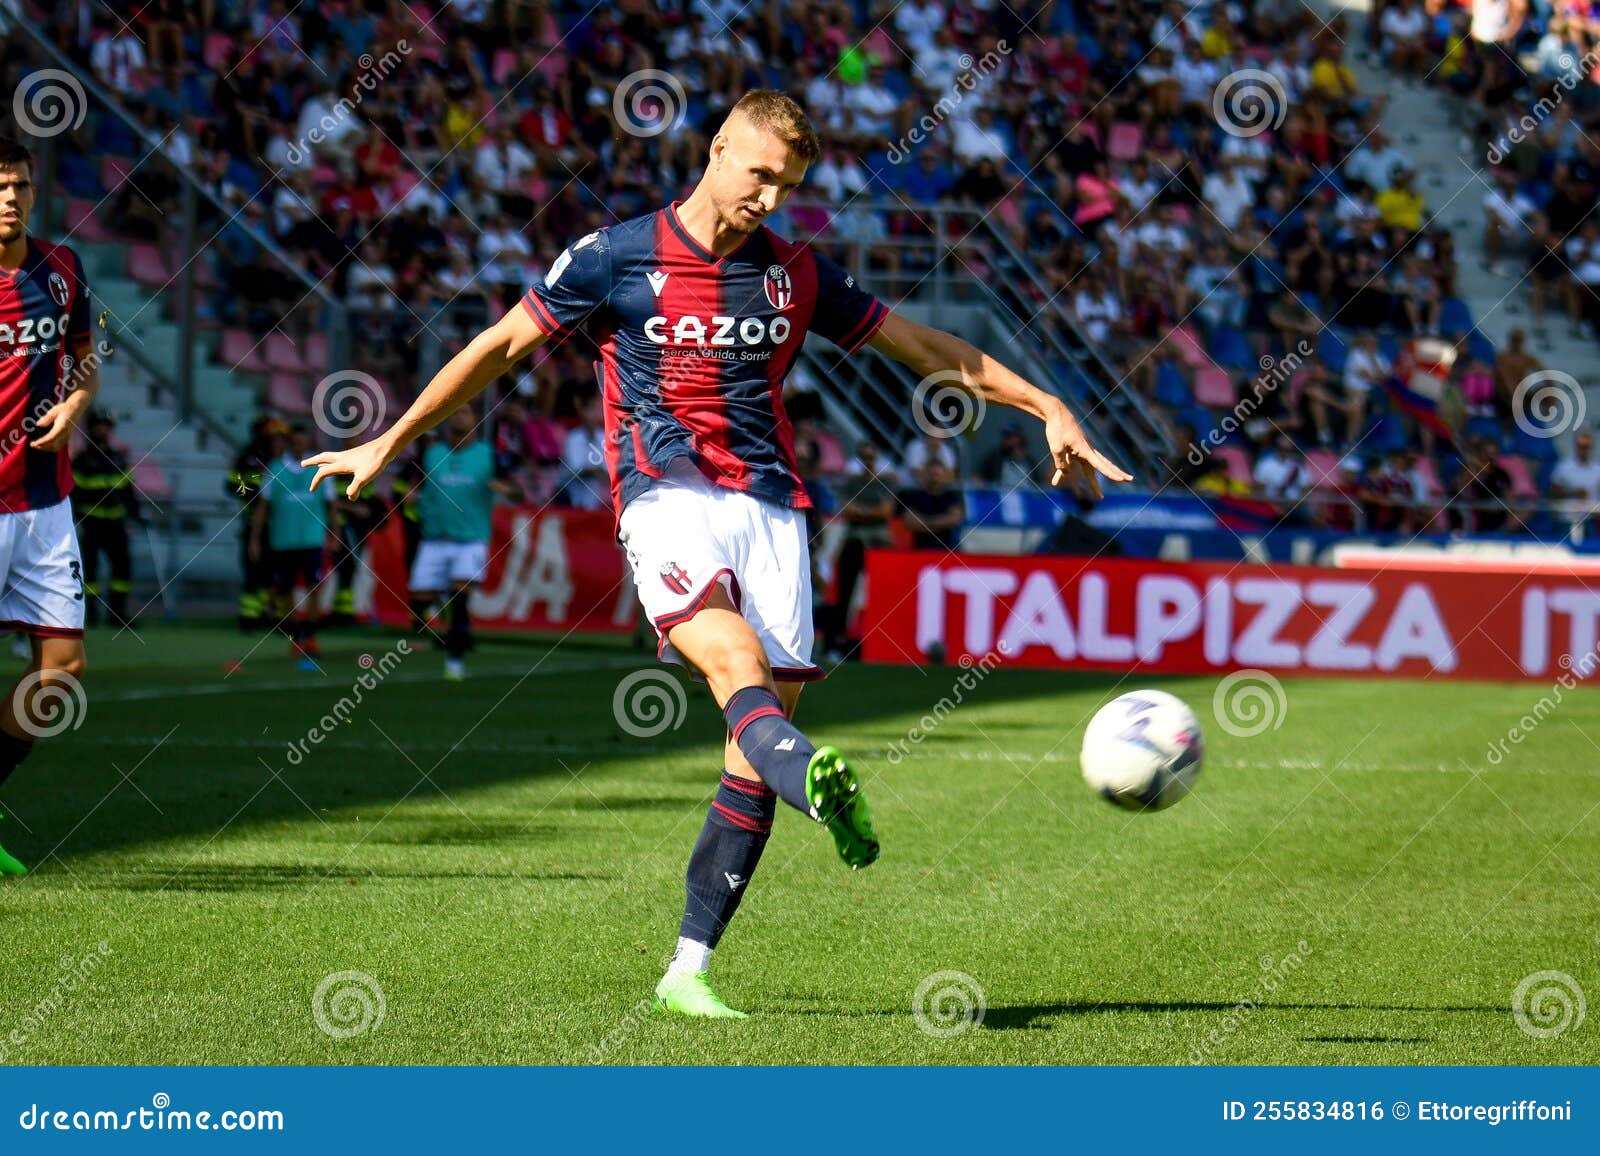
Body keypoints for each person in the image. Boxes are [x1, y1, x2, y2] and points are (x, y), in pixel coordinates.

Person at [302, 90, 1127, 1017]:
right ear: (719, 148)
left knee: (754, 744)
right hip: (662, 495)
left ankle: (689, 967)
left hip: (772, 510)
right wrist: (391, 439)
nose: (770, 199)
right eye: (761, 175)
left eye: (789, 186)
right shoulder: (615, 256)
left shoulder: (793, 274)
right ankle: (819, 787)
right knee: (734, 666)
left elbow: (922, 345)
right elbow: (499, 346)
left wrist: (1045, 404)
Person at [0, 136, 101, 876]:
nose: (10, 199)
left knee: (62, 668)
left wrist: (75, 405)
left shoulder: (60, 269)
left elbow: (84, 354)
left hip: (44, 504)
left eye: (20, 186)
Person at [408, 405, 516, 680]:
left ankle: (454, 661)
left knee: (460, 597)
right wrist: (412, 498)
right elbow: (413, 485)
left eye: (465, 412)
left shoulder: (489, 456)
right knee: (420, 602)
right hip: (434, 539)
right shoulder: (432, 454)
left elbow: (517, 490)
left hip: (470, 540)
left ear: (475, 421)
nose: (458, 416)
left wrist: (507, 490)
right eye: (455, 413)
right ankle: (449, 633)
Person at [252, 425, 337, 672]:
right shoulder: (276, 470)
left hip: (312, 539)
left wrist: (335, 532)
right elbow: (262, 506)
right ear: (291, 443)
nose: (299, 446)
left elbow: (331, 504)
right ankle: (296, 636)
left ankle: (310, 635)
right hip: (283, 539)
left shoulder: (321, 469)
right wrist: (255, 538)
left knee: (314, 586)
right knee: (285, 589)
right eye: (296, 442)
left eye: (303, 442)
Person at [70, 410, 138, 627]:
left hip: (116, 523)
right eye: (100, 425)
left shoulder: (119, 459)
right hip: (91, 523)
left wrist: (135, 513)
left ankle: (118, 614)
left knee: (122, 568)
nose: (104, 429)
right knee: (90, 570)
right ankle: (91, 615)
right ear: (91, 429)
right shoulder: (81, 460)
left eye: (107, 425)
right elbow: (73, 493)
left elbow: (128, 491)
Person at [227, 417, 284, 631]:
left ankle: (267, 615)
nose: (277, 441)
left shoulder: (282, 459)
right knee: (254, 568)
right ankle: (249, 617)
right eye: (273, 436)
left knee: (273, 570)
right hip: (254, 521)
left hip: (280, 523)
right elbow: (233, 485)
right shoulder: (248, 458)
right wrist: (253, 494)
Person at [899, 459, 967, 549]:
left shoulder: (952, 497)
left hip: (947, 549)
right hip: (920, 551)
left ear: (944, 476)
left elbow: (954, 519)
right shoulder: (913, 496)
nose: (934, 478)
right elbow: (910, 522)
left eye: (937, 475)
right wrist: (941, 523)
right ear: (924, 475)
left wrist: (925, 523)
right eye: (931, 474)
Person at [1549, 431, 1600, 538]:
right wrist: (1573, 493)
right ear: (1576, 447)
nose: (1583, 449)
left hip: (1590, 519)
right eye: (1581, 446)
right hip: (1567, 519)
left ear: (1591, 448)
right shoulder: (1564, 467)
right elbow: (1552, 493)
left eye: (1586, 446)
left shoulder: (1597, 469)